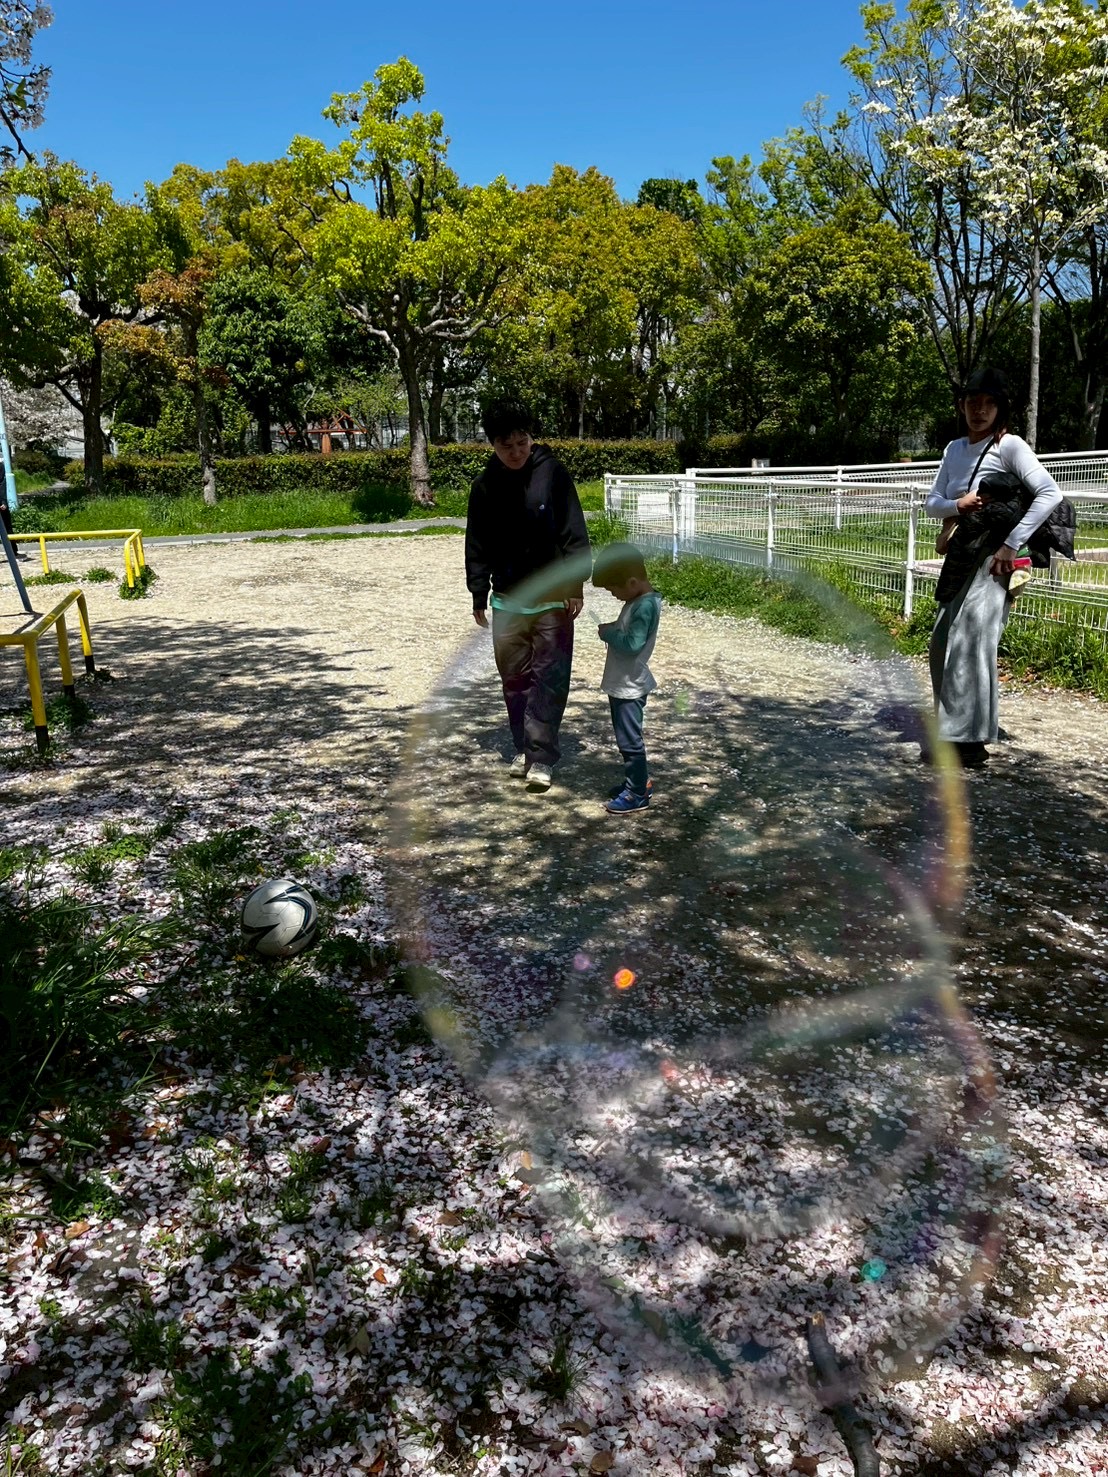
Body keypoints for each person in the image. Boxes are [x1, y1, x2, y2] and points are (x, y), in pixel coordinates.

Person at [925, 367, 1062, 767]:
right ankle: (961, 728)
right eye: (972, 402)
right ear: (963, 406)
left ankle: (964, 742)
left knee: (971, 639)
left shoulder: (1011, 445)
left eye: (988, 403)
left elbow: (1049, 493)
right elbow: (933, 502)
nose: (978, 410)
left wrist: (1010, 545)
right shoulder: (954, 450)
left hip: (993, 558)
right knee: (941, 642)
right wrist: (958, 505)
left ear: (1001, 409)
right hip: (961, 553)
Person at [465, 400, 591, 792]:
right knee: (515, 680)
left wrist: (575, 584)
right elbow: (477, 542)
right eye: (507, 446)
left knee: (549, 679)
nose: (517, 452)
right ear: (493, 446)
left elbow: (573, 529)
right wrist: (478, 591)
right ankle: (524, 746)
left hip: (554, 598)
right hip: (507, 599)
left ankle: (541, 758)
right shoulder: (484, 487)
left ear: (531, 439)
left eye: (522, 443)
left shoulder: (553, 474)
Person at [592, 542, 662, 815]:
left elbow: (633, 644)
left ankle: (636, 794)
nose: (613, 595)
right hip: (624, 683)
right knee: (627, 739)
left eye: (613, 589)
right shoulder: (640, 600)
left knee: (630, 742)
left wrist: (608, 632)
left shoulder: (644, 606)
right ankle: (638, 781)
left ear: (632, 582)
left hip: (629, 687)